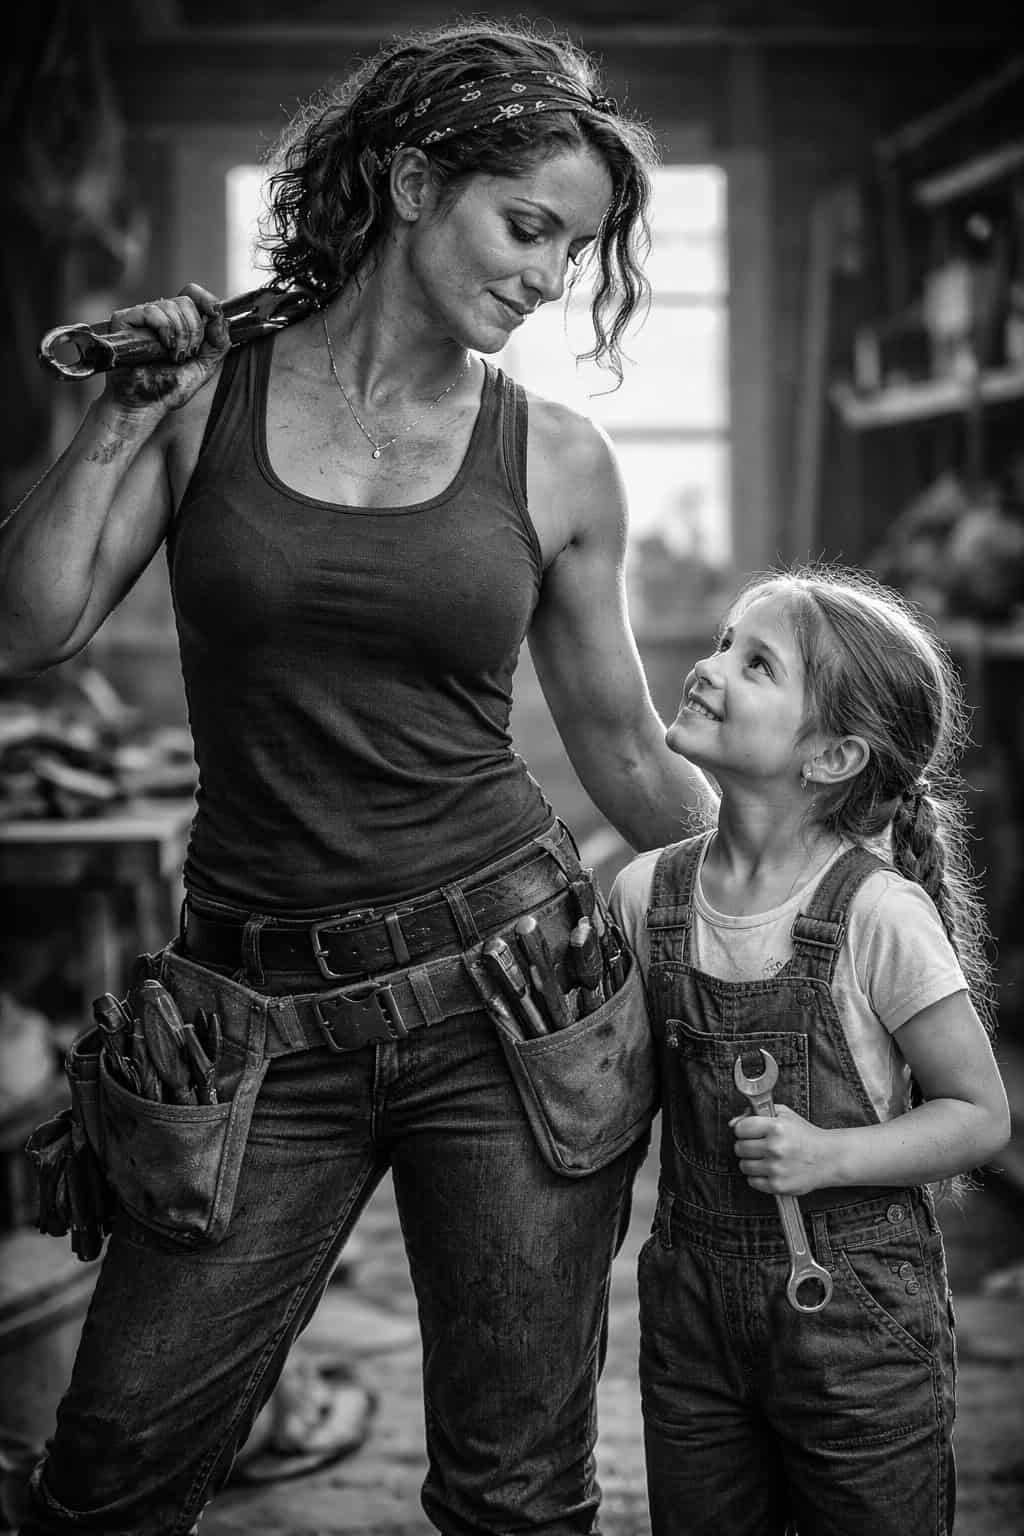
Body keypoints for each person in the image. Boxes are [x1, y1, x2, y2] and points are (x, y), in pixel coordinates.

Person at [0, 17, 714, 1536]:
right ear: (406, 181)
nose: (545, 276)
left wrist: (823, 875)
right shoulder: (204, 399)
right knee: (111, 1471)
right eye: (527, 226)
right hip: (247, 1026)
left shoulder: (563, 460)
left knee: (516, 1494)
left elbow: (628, 752)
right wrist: (119, 418)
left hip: (517, 1005)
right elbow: (36, 625)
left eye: (573, 253)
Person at [609, 562, 1012, 1536]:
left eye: (755, 665)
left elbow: (979, 1117)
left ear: (830, 756)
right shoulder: (641, 897)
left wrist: (831, 1156)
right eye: (720, 644)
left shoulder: (878, 914)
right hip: (692, 1320)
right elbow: (609, 1101)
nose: (710, 670)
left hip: (859, 1326)